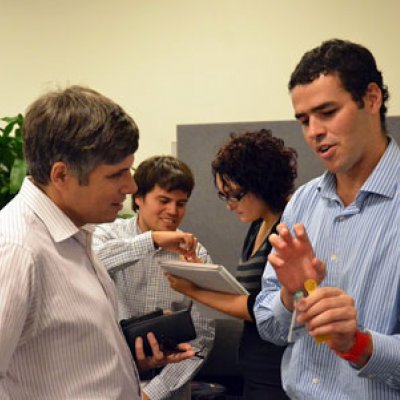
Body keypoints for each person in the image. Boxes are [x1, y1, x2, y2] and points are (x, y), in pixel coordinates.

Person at [0, 86, 195, 400]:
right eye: (117, 174)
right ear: (61, 175)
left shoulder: (77, 234)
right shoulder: (16, 249)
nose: (130, 186)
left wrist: (127, 362)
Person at [254, 39, 400, 399]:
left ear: (371, 98)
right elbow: (268, 326)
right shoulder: (302, 204)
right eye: (304, 120)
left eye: (327, 112)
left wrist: (358, 344)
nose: (313, 132)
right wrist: (289, 297)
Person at [167, 129, 298, 399]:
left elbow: (264, 309)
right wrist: (199, 273)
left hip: (281, 368)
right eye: (223, 195)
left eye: (234, 195)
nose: (229, 205)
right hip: (254, 362)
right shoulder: (258, 225)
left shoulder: (288, 228)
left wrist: (193, 289)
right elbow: (244, 295)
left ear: (261, 182)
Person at [92, 155, 215, 400]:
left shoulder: (195, 253)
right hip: (108, 381)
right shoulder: (106, 234)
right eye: (164, 200)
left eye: (181, 203)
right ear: (138, 198)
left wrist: (151, 393)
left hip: (168, 390)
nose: (173, 211)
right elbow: (91, 265)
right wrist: (152, 240)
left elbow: (203, 336)